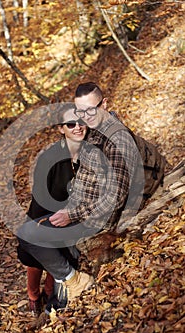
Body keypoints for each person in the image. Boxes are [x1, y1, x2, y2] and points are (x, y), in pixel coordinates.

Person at [17, 82, 142, 305]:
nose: (85, 119)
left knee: (32, 235)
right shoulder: (94, 133)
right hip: (80, 212)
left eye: (90, 111)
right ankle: (58, 289)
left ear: (105, 104)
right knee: (31, 232)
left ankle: (72, 282)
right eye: (81, 112)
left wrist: (73, 215)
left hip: (96, 219)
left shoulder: (117, 139)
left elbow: (116, 196)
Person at [17, 103, 88, 316]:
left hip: (74, 216)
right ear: (60, 128)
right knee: (35, 244)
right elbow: (40, 200)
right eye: (70, 124)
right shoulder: (49, 159)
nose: (77, 127)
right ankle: (33, 295)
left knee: (62, 248)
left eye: (81, 122)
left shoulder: (91, 152)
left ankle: (51, 290)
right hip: (44, 212)